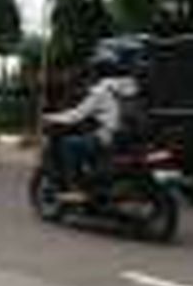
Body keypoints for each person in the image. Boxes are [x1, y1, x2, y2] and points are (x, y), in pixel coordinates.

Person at [43, 42, 142, 203]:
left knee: (68, 145)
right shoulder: (134, 86)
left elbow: (76, 115)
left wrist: (50, 118)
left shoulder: (102, 90)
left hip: (107, 139)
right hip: (129, 138)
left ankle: (75, 189)